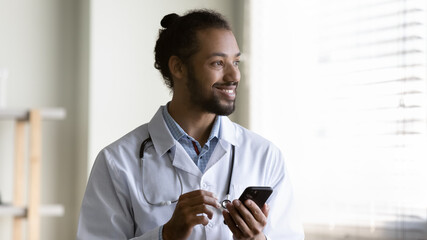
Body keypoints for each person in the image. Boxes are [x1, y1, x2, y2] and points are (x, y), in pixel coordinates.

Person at [77, 9, 304, 240]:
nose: (234, 75)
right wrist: (165, 236)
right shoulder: (117, 162)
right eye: (218, 62)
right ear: (178, 67)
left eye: (235, 61)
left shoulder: (265, 156)